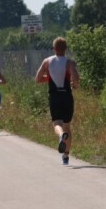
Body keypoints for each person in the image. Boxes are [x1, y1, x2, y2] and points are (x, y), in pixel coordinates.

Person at [35, 37, 79, 165]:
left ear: (54, 48)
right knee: (67, 126)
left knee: (57, 124)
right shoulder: (70, 62)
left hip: (54, 96)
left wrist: (48, 78)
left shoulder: (47, 61)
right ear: (65, 49)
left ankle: (60, 136)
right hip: (67, 96)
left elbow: (37, 79)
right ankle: (66, 156)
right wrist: (75, 85)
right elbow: (75, 77)